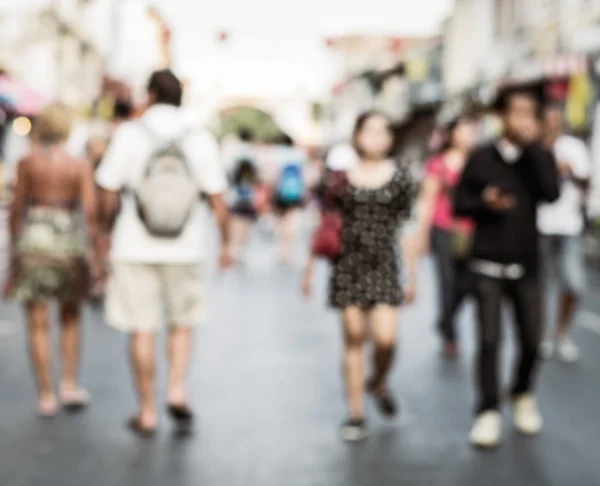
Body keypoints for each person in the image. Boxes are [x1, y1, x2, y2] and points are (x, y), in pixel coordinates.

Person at [96, 69, 233, 436]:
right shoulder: (200, 137)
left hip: (133, 244)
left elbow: (107, 191)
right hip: (186, 247)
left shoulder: (129, 133)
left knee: (142, 328)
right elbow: (218, 198)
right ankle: (176, 388)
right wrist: (226, 244)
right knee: (182, 325)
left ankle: (146, 411)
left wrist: (104, 234)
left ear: (152, 94)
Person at [454, 85, 560, 448]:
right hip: (485, 261)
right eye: (515, 111)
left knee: (532, 340)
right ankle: (487, 410)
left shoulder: (539, 156)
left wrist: (532, 148)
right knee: (488, 340)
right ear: (500, 115)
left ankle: (521, 392)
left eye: (529, 112)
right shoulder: (481, 157)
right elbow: (459, 204)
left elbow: (552, 193)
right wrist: (484, 201)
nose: (522, 119)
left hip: (527, 262)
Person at [302, 111, 416, 442]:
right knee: (353, 337)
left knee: (386, 339)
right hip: (347, 264)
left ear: (391, 138)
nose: (376, 137)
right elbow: (323, 221)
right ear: (356, 136)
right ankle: (356, 413)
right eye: (369, 130)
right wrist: (309, 269)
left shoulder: (401, 178)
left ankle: (378, 381)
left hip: (384, 264)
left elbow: (407, 227)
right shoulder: (339, 178)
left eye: (383, 131)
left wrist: (413, 274)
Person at [5, 103, 100, 416]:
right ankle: (69, 384)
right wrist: (97, 254)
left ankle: (46, 394)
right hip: (69, 244)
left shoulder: (27, 162)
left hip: (34, 242)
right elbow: (89, 211)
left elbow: (17, 208)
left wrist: (14, 251)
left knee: (37, 322)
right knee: (71, 317)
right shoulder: (79, 165)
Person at [416, 116, 476, 358]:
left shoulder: (478, 161)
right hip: (443, 228)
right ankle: (450, 335)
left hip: (472, 230)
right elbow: (427, 198)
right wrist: (422, 233)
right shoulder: (438, 163)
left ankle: (445, 318)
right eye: (463, 131)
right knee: (447, 281)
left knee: (468, 282)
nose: (468, 136)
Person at [538, 104, 590, 363]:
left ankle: (562, 333)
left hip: (569, 225)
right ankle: (543, 334)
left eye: (557, 119)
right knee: (542, 284)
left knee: (574, 284)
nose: (553, 124)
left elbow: (588, 181)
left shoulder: (574, 148)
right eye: (549, 120)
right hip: (541, 224)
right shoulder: (536, 147)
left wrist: (569, 170)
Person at [273, 134, 307, 265]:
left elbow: (275, 174)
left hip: (281, 191)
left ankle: (281, 251)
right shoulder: (299, 154)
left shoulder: (279, 153)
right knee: (291, 221)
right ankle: (288, 251)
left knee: (281, 222)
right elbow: (304, 175)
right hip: (295, 192)